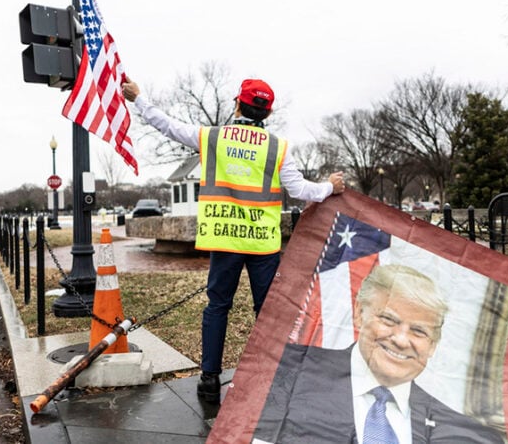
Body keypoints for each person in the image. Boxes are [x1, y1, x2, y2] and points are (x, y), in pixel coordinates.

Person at [121, 77, 346, 404]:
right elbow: (300, 191)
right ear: (266, 114)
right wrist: (329, 186)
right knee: (267, 311)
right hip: (262, 243)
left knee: (218, 306)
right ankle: (272, 378)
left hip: (225, 239)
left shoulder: (213, 138)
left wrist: (138, 98)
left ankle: (209, 381)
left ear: (237, 104)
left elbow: (167, 125)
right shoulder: (277, 147)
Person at [254, 264, 505, 443]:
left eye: (418, 331)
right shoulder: (283, 375)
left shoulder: (470, 435)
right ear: (359, 314)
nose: (400, 339)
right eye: (388, 319)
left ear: (433, 345)